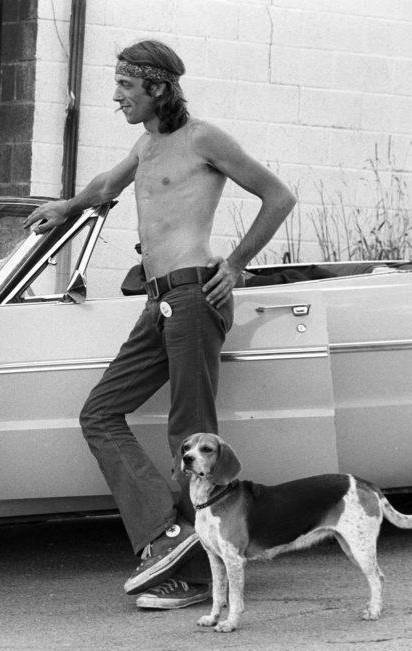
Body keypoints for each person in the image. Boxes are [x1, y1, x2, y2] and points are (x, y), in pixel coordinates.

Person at [23, 39, 296, 610]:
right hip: (159, 303)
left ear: (157, 87)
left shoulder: (204, 139)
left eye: (126, 85)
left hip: (195, 294)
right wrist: (65, 208)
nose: (117, 95)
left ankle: (198, 578)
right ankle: (168, 537)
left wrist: (237, 264)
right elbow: (104, 188)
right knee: (99, 413)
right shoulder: (145, 145)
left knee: (191, 436)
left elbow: (278, 195)